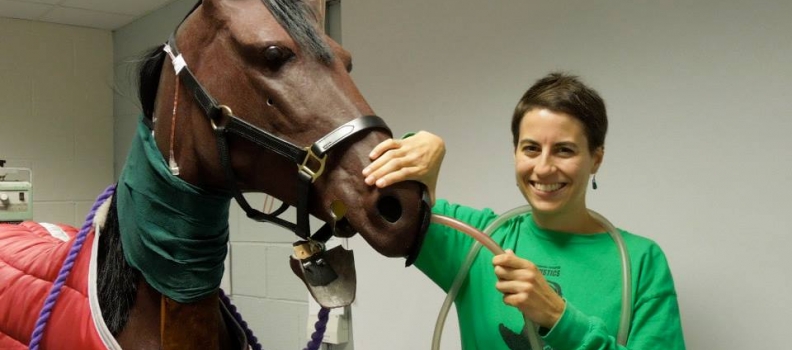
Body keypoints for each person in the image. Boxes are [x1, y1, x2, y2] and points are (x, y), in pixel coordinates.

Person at [362, 72, 686, 349]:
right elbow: (366, 192)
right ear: (515, 151)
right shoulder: (476, 240)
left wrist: (559, 318)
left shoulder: (640, 262)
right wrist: (422, 146)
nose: (543, 168)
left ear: (596, 158)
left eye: (564, 150)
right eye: (531, 148)